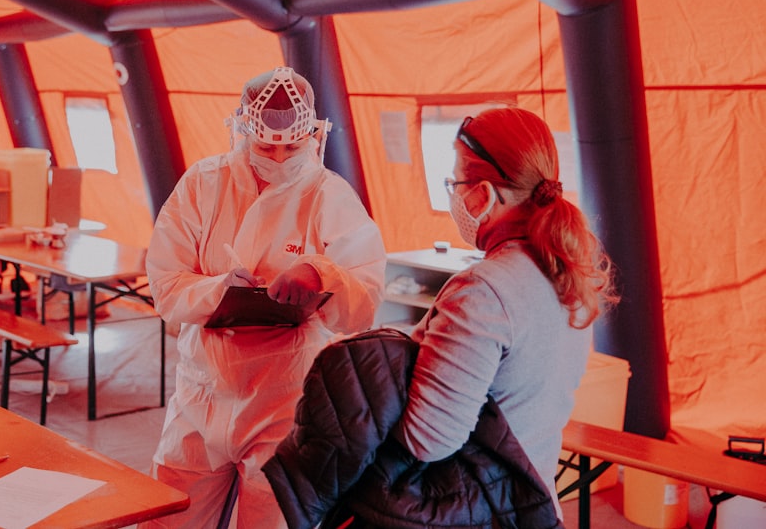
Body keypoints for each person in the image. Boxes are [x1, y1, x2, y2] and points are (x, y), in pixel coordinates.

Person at [139, 66, 387, 529]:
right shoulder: (203, 184)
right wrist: (220, 289)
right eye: (265, 144)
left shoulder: (327, 194)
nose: (277, 155)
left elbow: (365, 300)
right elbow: (166, 284)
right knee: (168, 517)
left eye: (291, 146)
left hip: (284, 398)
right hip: (202, 390)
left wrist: (319, 272)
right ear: (241, 128)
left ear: (312, 133)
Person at [383, 106, 620, 521]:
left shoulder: (482, 290)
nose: (453, 194)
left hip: (478, 510)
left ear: (484, 194)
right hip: (533, 503)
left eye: (455, 182)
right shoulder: (568, 276)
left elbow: (428, 439)